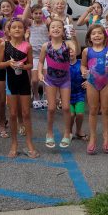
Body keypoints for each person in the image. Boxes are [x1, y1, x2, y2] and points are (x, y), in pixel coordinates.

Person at [0, 18, 39, 158]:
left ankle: (29, 144)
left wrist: (23, 66)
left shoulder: (27, 46)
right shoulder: (4, 45)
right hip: (11, 82)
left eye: (20, 27)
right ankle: (14, 144)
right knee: (13, 114)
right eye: (14, 27)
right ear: (8, 31)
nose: (17, 29)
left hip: (23, 81)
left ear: (24, 30)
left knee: (26, 113)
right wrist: (8, 63)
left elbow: (31, 65)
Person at [81, 24, 108, 155]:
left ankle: (106, 136)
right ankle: (92, 138)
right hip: (92, 82)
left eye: (99, 33)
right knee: (92, 110)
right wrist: (84, 71)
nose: (97, 35)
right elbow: (83, 65)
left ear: (104, 36)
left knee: (105, 110)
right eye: (94, 34)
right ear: (89, 38)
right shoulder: (86, 51)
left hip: (107, 82)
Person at [38, 20, 73, 149]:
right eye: (53, 27)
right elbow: (40, 61)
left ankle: (67, 133)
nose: (56, 29)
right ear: (49, 31)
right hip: (50, 80)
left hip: (65, 80)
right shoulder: (46, 46)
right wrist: (39, 73)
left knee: (66, 107)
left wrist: (73, 37)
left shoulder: (67, 44)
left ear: (63, 31)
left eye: (59, 27)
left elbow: (76, 50)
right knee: (51, 108)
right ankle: (49, 132)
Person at [69, 45, 88, 141]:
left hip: (80, 94)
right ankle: (69, 131)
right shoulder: (63, 65)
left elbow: (88, 75)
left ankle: (78, 130)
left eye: (72, 50)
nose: (70, 52)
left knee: (80, 114)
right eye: (68, 51)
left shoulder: (81, 64)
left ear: (76, 51)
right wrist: (58, 97)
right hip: (67, 95)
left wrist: (88, 81)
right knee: (71, 115)